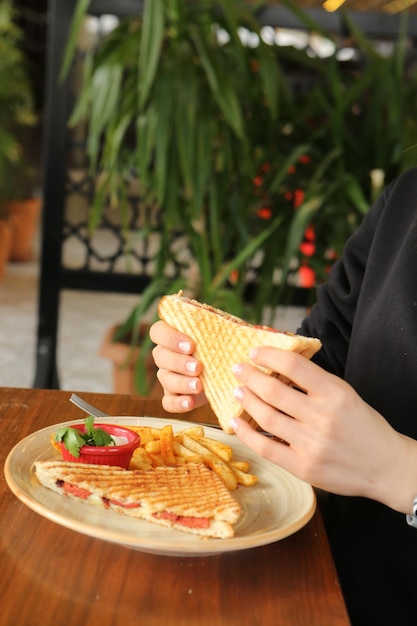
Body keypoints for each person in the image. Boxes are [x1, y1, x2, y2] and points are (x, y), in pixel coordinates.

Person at [149, 167, 417, 626]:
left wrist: (398, 472)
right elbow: (326, 351)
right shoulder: (406, 201)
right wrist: (229, 372)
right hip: (313, 579)